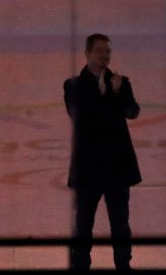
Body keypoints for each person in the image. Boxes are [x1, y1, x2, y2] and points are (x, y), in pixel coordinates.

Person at [64, 33, 142, 271]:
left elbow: (132, 111)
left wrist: (118, 93)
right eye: (99, 51)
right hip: (88, 168)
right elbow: (81, 116)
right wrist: (105, 96)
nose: (104, 55)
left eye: (107, 51)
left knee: (120, 224)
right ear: (87, 54)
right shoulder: (73, 85)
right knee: (83, 225)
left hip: (117, 167)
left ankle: (123, 266)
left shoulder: (121, 82)